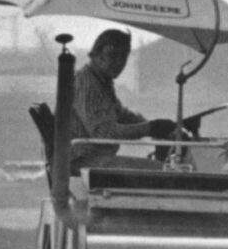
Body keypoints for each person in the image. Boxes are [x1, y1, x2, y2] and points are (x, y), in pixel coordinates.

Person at [68, 29, 178, 172]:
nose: (119, 62)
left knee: (160, 167)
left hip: (92, 159)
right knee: (160, 169)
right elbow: (103, 133)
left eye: (124, 57)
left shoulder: (101, 81)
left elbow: (121, 115)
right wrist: (150, 128)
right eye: (112, 56)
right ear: (96, 55)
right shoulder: (87, 83)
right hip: (81, 161)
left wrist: (160, 128)